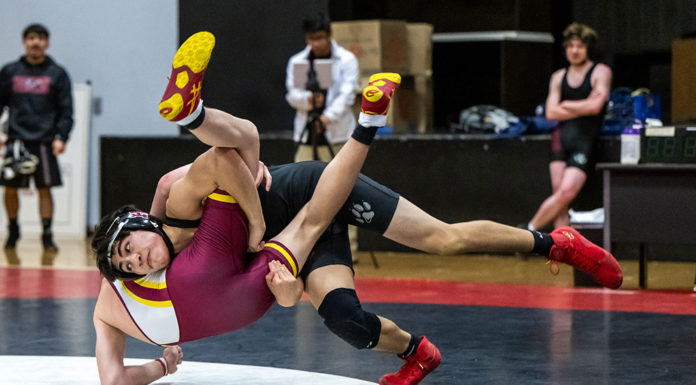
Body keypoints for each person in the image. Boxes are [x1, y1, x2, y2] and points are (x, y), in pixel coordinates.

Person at [151, 34, 621, 385]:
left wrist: (249, 203)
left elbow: (190, 174)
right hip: (298, 243)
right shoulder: (184, 285)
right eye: (137, 260)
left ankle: (555, 243)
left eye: (138, 248)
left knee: (444, 239)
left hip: (302, 192)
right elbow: (284, 295)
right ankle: (418, 353)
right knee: (344, 320)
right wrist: (286, 287)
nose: (143, 257)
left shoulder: (171, 220)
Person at [92, 31, 404, 385]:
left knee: (306, 215)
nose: (136, 262)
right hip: (235, 246)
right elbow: (181, 177)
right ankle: (193, 114)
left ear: (141, 225)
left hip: (257, 228)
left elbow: (181, 178)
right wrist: (164, 365)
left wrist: (256, 221)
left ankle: (196, 114)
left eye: (130, 251)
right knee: (251, 147)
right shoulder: (144, 248)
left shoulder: (154, 233)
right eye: (128, 265)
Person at [285, 13, 360, 257]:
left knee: (343, 190)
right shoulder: (298, 61)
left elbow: (348, 94)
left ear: (329, 35)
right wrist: (309, 100)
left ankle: (350, 249)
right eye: (311, 39)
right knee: (302, 191)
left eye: (320, 38)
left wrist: (326, 117)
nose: (315, 44)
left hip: (337, 135)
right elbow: (291, 95)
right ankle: (302, 248)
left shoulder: (346, 59)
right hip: (307, 133)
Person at [527, 22, 612, 231]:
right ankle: (561, 248)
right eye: (571, 46)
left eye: (580, 46)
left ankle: (528, 231)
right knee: (560, 198)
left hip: (584, 140)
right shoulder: (558, 76)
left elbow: (596, 106)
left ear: (588, 49)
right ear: (565, 48)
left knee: (565, 193)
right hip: (560, 140)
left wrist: (566, 104)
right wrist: (582, 105)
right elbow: (550, 112)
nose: (574, 51)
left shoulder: (600, 71)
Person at [0, 23, 73, 251]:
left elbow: (66, 111)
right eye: (31, 38)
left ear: (47, 43)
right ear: (24, 41)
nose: (35, 42)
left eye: (41, 38)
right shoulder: (10, 71)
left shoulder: (57, 73)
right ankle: (13, 231)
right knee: (10, 189)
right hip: (16, 141)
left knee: (45, 189)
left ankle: (47, 234)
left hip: (45, 142)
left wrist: (62, 137)